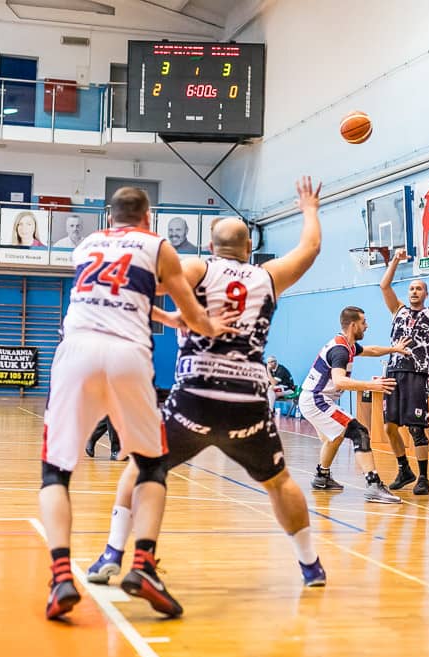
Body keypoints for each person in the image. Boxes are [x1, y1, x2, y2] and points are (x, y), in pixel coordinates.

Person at [86, 177, 328, 614]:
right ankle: (310, 564)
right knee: (279, 482)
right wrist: (309, 208)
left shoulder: (198, 268)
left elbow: (154, 284)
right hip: (247, 402)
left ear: (211, 247)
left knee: (141, 466)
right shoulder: (268, 276)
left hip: (195, 396)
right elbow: (310, 248)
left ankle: (112, 553)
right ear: (250, 248)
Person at [38, 187, 237, 621]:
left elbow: (121, 291)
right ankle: (143, 565)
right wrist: (211, 326)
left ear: (110, 218)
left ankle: (60, 577)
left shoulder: (86, 246)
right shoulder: (158, 246)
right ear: (148, 217)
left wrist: (163, 312)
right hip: (128, 355)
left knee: (55, 471)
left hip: (76, 351)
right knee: (151, 465)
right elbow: (191, 313)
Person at [302, 306, 410, 503]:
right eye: (363, 322)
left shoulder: (348, 344)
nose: (366, 326)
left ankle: (321, 477)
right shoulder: (340, 350)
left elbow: (371, 350)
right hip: (316, 399)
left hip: (316, 398)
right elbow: (339, 381)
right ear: (353, 325)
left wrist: (394, 349)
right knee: (359, 432)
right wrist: (371, 385)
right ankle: (373, 485)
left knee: (335, 436)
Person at [379, 245, 429, 495]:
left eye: (419, 288)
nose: (414, 291)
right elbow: (384, 286)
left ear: (425, 293)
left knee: (416, 428)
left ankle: (423, 478)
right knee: (389, 426)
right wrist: (395, 261)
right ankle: (404, 470)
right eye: (411, 288)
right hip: (393, 372)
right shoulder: (397, 310)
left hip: (416, 374)